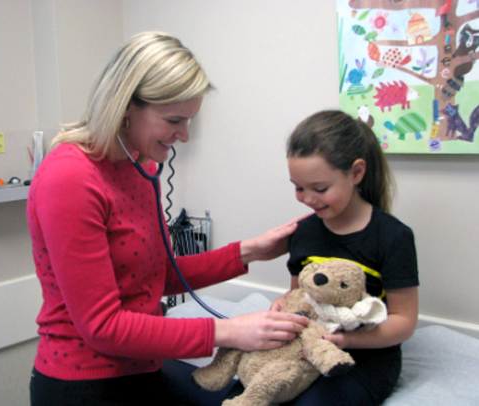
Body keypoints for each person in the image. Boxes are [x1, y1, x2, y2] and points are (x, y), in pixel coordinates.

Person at [27, 31, 309, 406]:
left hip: (141, 371)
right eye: (175, 119)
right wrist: (228, 331)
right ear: (126, 106)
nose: (185, 136)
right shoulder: (70, 178)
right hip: (83, 384)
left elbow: (153, 277)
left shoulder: (140, 166)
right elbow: (102, 327)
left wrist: (247, 253)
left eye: (190, 120)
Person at [270, 110, 419, 406]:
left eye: (320, 189)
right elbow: (299, 292)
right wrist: (284, 304)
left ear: (356, 173)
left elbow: (404, 321)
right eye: (298, 188)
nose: (308, 199)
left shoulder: (393, 237)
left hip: (367, 357)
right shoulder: (303, 231)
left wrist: (348, 340)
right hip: (309, 348)